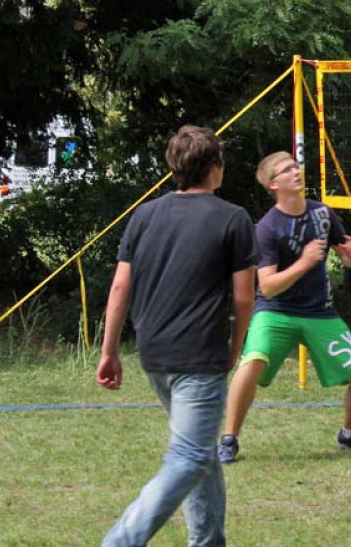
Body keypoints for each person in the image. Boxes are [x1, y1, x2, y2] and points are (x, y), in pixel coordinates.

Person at [96, 125, 258, 547]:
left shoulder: (144, 215)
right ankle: (120, 541)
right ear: (215, 167)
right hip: (199, 358)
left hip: (154, 355)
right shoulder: (233, 218)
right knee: (188, 458)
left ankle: (208, 541)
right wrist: (236, 348)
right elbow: (245, 299)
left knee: (200, 451)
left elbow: (119, 288)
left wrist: (109, 351)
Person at [218, 151, 351, 463]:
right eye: (287, 169)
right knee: (253, 361)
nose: (296, 171)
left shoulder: (323, 214)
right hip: (275, 311)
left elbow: (347, 253)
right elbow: (267, 285)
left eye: (295, 166)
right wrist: (304, 263)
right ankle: (229, 439)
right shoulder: (266, 228)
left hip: (320, 312)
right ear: (273, 185)